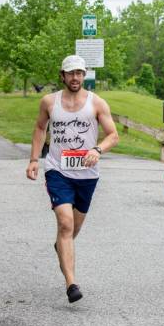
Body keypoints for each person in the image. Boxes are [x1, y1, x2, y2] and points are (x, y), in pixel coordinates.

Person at [26, 55, 119, 303]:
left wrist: (97, 150)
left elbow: (113, 135)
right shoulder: (49, 101)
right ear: (62, 75)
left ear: (84, 74)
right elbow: (39, 128)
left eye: (79, 73)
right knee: (65, 224)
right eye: (70, 73)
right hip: (57, 170)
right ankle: (71, 284)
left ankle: (61, 246)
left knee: (72, 229)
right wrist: (35, 159)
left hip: (87, 175)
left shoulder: (97, 103)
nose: (75, 77)